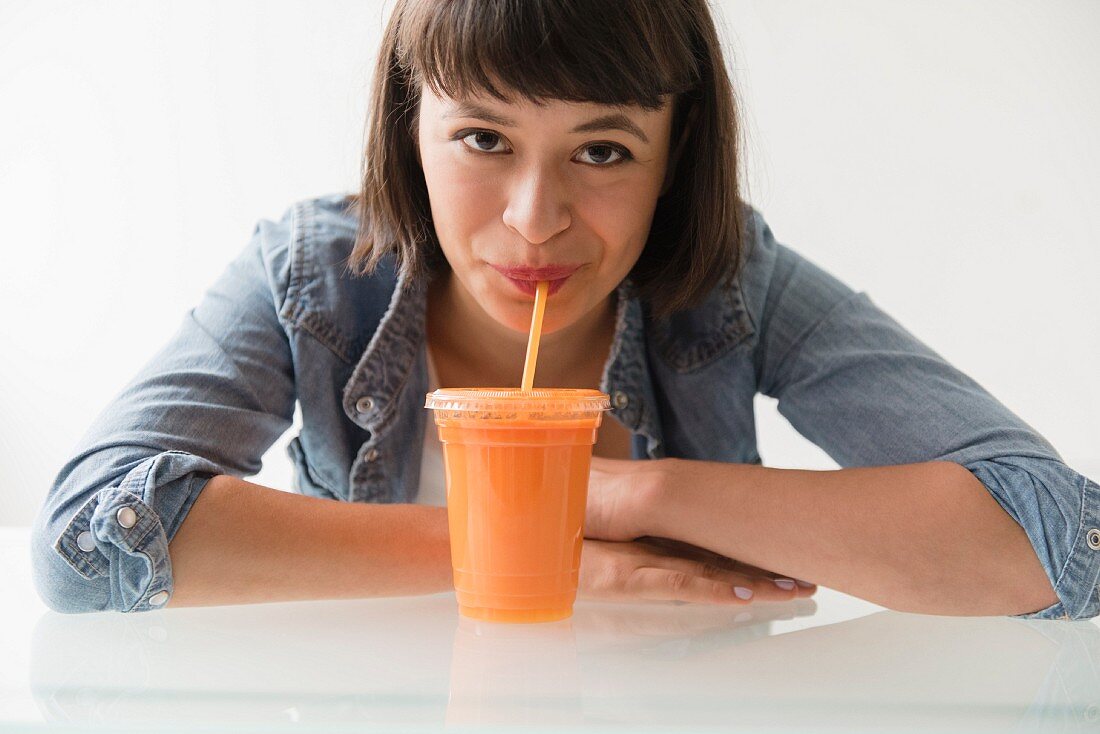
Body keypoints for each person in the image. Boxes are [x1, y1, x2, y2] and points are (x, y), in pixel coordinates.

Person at [30, 0, 1097, 620]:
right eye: (482, 139)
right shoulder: (316, 275)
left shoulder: (728, 282)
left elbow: (1059, 536)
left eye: (601, 150)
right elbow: (86, 538)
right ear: (411, 127)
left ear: (674, 156)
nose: (536, 219)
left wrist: (625, 492)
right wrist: (537, 556)